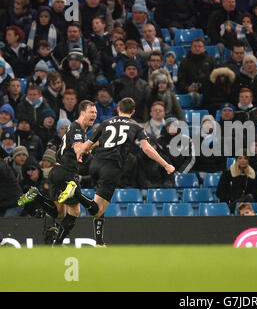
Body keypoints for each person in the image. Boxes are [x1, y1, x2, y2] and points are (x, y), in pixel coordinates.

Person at [60, 98, 175, 247]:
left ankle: (99, 242)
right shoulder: (136, 126)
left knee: (99, 205)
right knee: (97, 209)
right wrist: (166, 165)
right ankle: (76, 194)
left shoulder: (105, 123)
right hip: (112, 167)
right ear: (133, 112)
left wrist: (79, 154)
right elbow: (146, 148)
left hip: (95, 164)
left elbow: (89, 145)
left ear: (118, 109)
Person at [17, 100, 98, 245]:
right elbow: (78, 147)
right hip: (67, 173)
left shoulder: (78, 130)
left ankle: (37, 195)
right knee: (75, 211)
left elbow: (79, 149)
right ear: (82, 113)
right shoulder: (78, 129)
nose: (94, 115)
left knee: (59, 212)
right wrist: (86, 149)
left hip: (56, 171)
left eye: (96, 112)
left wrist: (89, 147)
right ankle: (59, 243)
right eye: (91, 112)